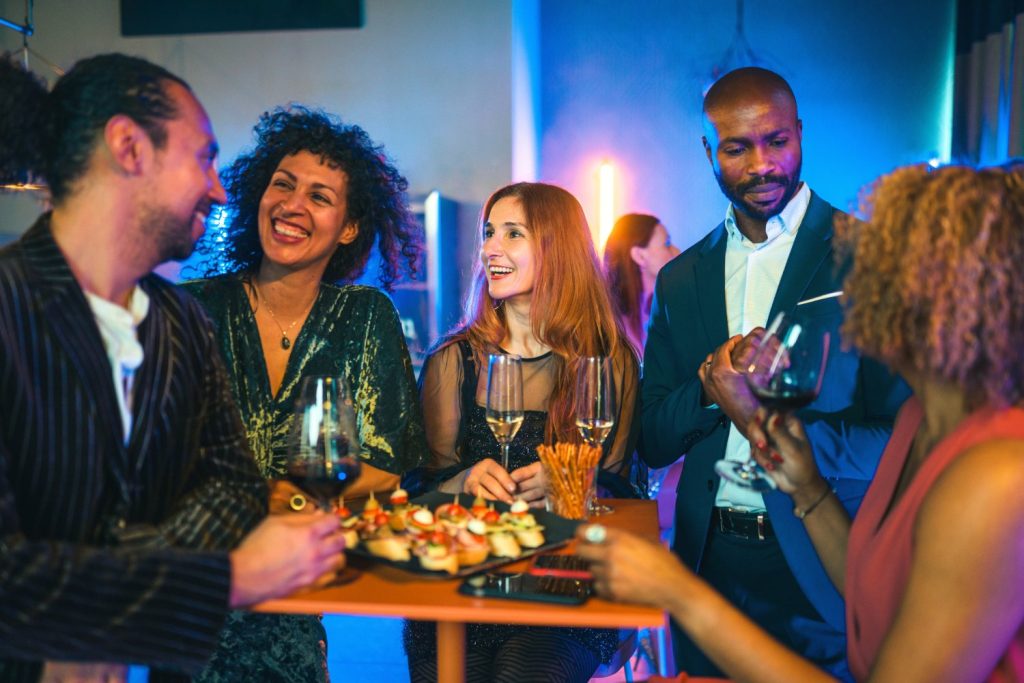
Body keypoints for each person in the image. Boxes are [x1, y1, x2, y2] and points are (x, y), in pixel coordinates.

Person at [579, 163, 1024, 682]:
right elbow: (868, 588)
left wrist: (679, 592)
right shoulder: (916, 418)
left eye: (885, 272)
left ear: (962, 300)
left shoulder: (996, 477)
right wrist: (807, 487)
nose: (863, 291)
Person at [0, 53, 346, 681]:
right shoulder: (7, 308)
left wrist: (95, 608)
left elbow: (234, 488)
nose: (218, 188)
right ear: (129, 146)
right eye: (204, 157)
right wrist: (223, 579)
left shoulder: (180, 320)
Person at [639, 66, 909, 679]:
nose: (762, 164)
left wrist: (775, 431)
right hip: (709, 566)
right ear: (709, 151)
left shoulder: (868, 258)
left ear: (800, 134)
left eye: (777, 142)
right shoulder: (680, 279)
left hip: (825, 568)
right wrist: (711, 390)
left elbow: (903, 440)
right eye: (737, 148)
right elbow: (651, 440)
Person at [183, 106, 428, 681]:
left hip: (292, 593)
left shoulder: (367, 317)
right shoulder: (189, 310)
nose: (292, 205)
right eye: (283, 185)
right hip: (193, 585)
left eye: (320, 196)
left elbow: (386, 467)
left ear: (348, 226)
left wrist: (267, 503)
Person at [403, 182, 640, 683]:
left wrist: (573, 485)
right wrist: (463, 482)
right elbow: (416, 492)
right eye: (490, 233)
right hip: (462, 581)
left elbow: (623, 495)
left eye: (514, 234)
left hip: (562, 581)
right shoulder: (454, 360)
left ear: (557, 247)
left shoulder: (608, 360)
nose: (491, 248)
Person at [602, 213, 680, 353]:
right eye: (667, 244)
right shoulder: (611, 327)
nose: (677, 251)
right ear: (640, 256)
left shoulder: (667, 310)